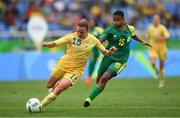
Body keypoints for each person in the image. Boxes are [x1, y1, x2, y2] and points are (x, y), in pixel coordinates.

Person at [40, 19, 116, 108]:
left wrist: (110, 51)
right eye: (78, 31)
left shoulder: (93, 40)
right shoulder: (71, 37)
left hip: (76, 70)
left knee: (59, 89)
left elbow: (105, 52)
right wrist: (47, 44)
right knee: (49, 85)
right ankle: (57, 85)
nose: (79, 34)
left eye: (82, 32)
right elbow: (55, 43)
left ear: (87, 31)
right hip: (63, 64)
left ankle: (40, 105)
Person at [83, 10, 151, 108]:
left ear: (123, 19)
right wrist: (96, 43)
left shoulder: (130, 28)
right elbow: (101, 40)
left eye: (117, 20)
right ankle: (98, 89)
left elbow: (133, 35)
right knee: (99, 80)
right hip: (108, 57)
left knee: (105, 77)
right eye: (114, 20)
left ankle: (88, 99)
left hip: (121, 60)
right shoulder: (110, 29)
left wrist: (142, 42)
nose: (115, 22)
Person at [146, 14, 170, 88]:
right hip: (153, 48)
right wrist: (147, 43)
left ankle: (162, 81)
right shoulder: (150, 28)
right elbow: (148, 37)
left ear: (159, 20)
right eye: (154, 19)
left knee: (161, 66)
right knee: (152, 62)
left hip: (162, 49)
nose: (156, 20)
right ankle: (156, 71)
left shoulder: (162, 28)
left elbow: (167, 36)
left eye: (157, 19)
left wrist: (160, 38)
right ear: (153, 20)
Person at [85, 18, 104, 84]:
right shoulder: (88, 30)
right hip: (91, 50)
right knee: (92, 63)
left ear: (95, 22)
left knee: (98, 63)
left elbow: (104, 35)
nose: (90, 23)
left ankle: (100, 76)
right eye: (90, 22)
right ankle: (89, 77)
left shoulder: (98, 29)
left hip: (98, 50)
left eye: (92, 21)